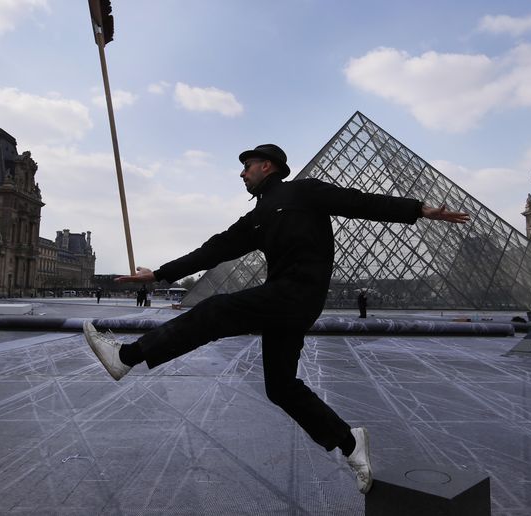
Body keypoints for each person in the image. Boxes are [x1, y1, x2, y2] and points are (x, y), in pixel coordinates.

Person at [83, 143, 470, 494]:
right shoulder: (256, 217)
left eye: (247, 166)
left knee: (217, 309)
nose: (241, 173)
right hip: (287, 301)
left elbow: (361, 202)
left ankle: (128, 357)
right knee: (280, 388)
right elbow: (213, 249)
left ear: (267, 166)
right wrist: (158, 274)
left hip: (297, 292)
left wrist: (420, 209)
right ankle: (350, 443)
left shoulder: (303, 191)